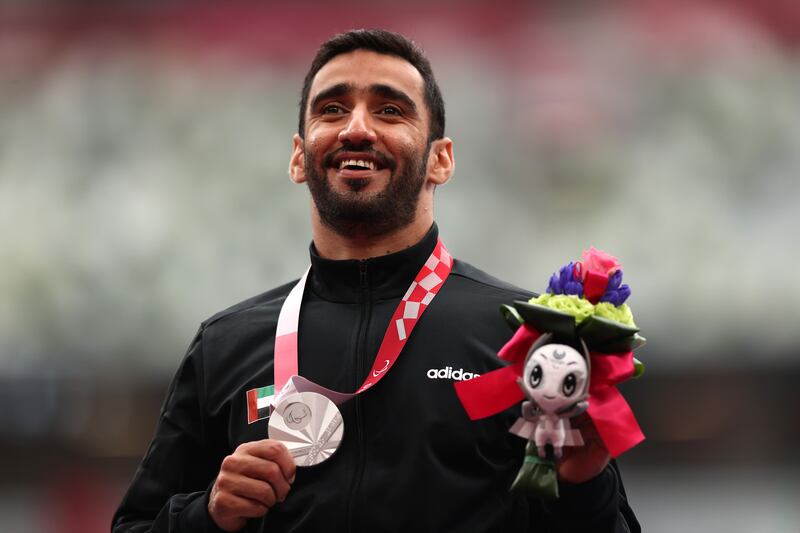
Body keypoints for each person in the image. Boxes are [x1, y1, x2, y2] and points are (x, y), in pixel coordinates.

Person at [113, 29, 640, 533]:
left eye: (390, 110)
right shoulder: (225, 345)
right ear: (300, 157)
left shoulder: (524, 339)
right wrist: (206, 515)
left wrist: (580, 483)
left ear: (441, 159)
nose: (356, 128)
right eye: (332, 109)